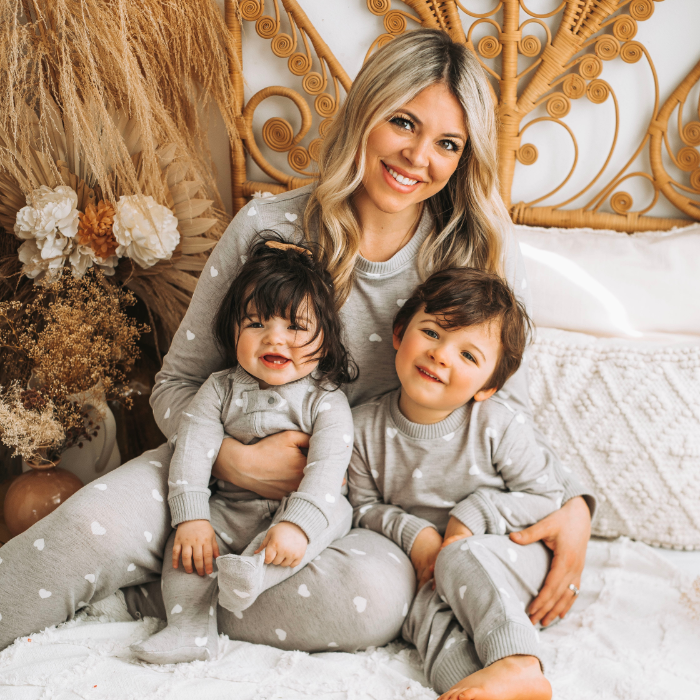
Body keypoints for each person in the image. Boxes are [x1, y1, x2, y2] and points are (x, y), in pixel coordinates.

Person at [0, 28, 594, 696]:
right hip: (214, 470)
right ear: (367, 111)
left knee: (373, 598)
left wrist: (574, 506)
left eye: (448, 143)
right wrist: (231, 459)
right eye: (403, 121)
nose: (418, 156)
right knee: (84, 527)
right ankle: (145, 567)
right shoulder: (267, 228)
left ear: (465, 156)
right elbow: (177, 385)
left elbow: (505, 405)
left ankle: (157, 594)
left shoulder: (476, 253)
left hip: (350, 514)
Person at [130, 237, 356, 664]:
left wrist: (296, 525)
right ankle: (188, 629)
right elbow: (192, 452)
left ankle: (255, 576)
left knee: (332, 515)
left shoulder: (326, 401)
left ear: (325, 341)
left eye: (295, 326)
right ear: (233, 330)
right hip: (229, 504)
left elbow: (327, 471)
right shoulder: (219, 388)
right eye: (255, 324)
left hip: (301, 507)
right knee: (185, 551)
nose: (275, 338)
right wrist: (192, 517)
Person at [349, 267, 561, 700]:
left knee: (458, 557)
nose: (442, 355)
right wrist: (417, 535)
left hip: (507, 555)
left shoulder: (497, 425)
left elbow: (546, 496)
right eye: (431, 332)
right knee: (422, 609)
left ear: (489, 386)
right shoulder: (360, 428)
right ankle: (472, 687)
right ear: (399, 332)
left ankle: (519, 663)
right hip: (431, 566)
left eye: (468, 356)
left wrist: (472, 516)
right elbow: (360, 506)